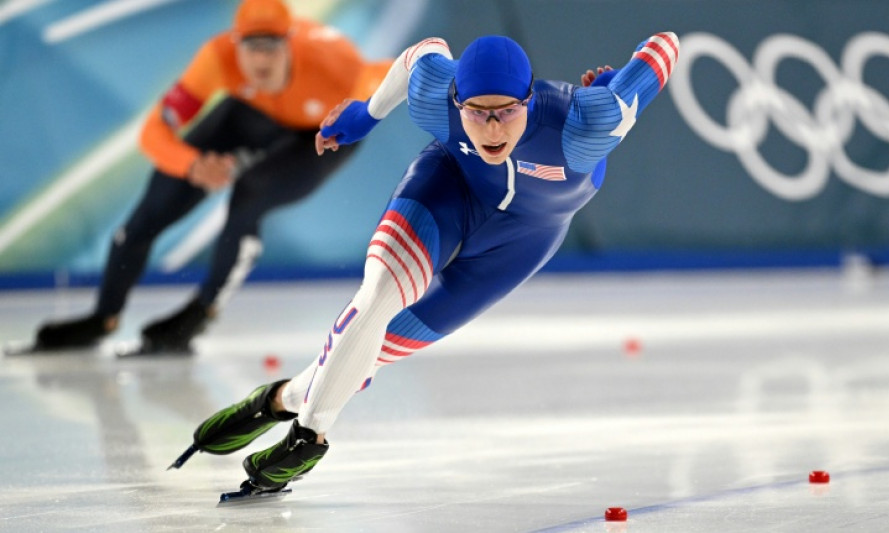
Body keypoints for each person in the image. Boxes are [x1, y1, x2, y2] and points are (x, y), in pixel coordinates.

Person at [176, 31, 680, 494]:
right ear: (454, 100)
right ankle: (310, 437)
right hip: (447, 190)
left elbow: (666, 44)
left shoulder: (588, 122)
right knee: (376, 297)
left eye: (505, 111)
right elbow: (419, 54)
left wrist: (619, 84)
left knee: (375, 352)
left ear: (529, 101)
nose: (490, 127)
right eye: (475, 112)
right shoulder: (434, 94)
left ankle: (278, 400)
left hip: (523, 238)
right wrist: (366, 115)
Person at [30, 0, 392, 354]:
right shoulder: (217, 59)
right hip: (252, 113)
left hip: (322, 133)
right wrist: (192, 164)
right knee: (154, 205)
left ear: (291, 44)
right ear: (235, 46)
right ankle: (103, 316)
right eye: (251, 48)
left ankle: (202, 311)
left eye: (271, 48)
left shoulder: (337, 65)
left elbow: (399, 73)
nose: (261, 60)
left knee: (251, 194)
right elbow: (153, 132)